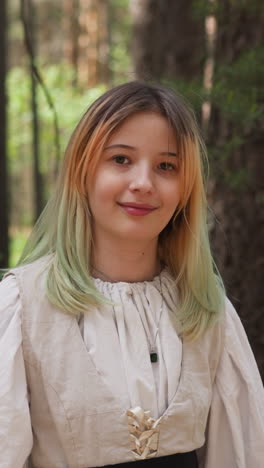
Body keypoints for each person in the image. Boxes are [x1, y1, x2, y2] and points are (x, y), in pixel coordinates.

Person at [0, 81, 263, 468]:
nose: (143, 183)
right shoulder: (22, 309)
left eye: (166, 166)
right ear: (82, 171)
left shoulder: (207, 312)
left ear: (184, 188)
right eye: (121, 159)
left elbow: (239, 455)